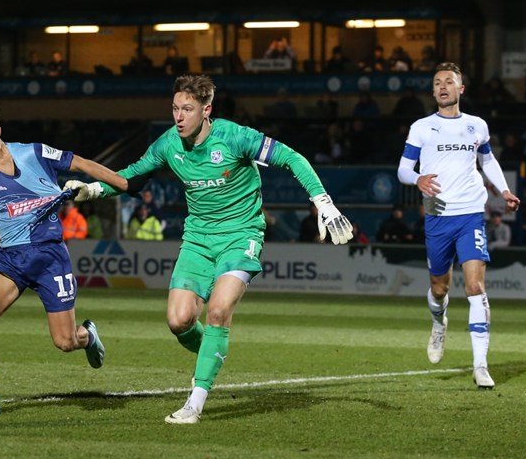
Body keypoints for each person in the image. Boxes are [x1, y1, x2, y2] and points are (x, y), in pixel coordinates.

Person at [66, 74, 353, 424]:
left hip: (241, 235)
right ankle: (213, 351)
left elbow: (292, 158)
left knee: (217, 312)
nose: (179, 116)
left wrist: (323, 202)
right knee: (179, 321)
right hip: (198, 239)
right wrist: (93, 190)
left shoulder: (235, 137)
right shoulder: (169, 143)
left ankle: (195, 401)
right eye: (175, 108)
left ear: (207, 110)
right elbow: (132, 177)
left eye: (187, 109)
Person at [0, 100, 126, 416]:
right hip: (10, 260)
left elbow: (80, 163)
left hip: (50, 256)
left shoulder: (34, 153)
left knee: (65, 341)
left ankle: (87, 335)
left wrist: (122, 183)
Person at [397, 62, 520, 390]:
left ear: (460, 89)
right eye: (437, 82)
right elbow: (403, 169)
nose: (442, 86)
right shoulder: (422, 127)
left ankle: (480, 365)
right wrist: (417, 179)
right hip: (437, 216)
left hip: (470, 214)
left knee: (475, 288)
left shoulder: (476, 125)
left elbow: (487, 160)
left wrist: (504, 190)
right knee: (439, 288)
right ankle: (439, 323)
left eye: (449, 82)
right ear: (433, 90)